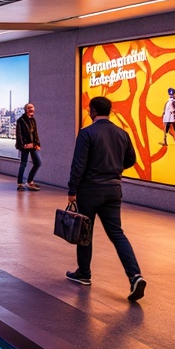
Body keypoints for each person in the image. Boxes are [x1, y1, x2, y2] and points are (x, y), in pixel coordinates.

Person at [66, 95, 146, 301]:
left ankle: (84, 273)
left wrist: (72, 190)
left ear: (92, 111)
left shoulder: (87, 133)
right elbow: (131, 159)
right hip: (113, 189)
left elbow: (78, 164)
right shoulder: (122, 133)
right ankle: (135, 275)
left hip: (90, 190)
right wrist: (115, 170)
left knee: (85, 231)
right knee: (117, 234)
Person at [15, 103, 41, 190]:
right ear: (26, 109)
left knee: (38, 163)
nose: (32, 109)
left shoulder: (33, 120)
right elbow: (19, 135)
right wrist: (23, 145)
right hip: (25, 146)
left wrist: (37, 144)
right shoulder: (20, 120)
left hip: (33, 145)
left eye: (32, 107)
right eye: (29, 108)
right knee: (23, 164)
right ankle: (20, 183)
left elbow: (35, 133)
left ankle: (30, 181)